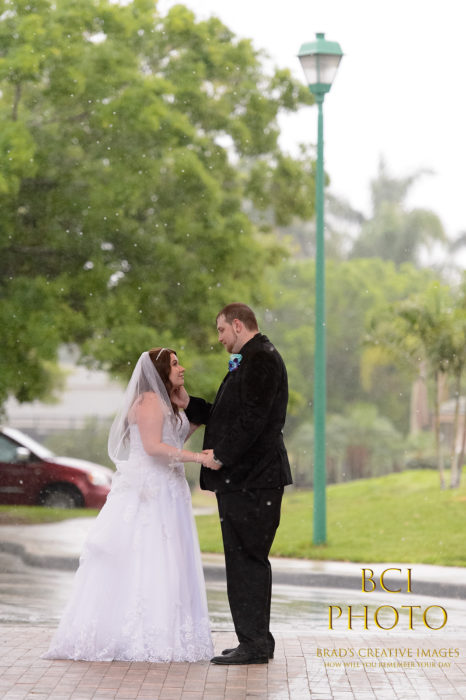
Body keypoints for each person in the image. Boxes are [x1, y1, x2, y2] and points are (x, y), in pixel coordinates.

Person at [43, 348, 214, 663]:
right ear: (160, 371)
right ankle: (135, 635)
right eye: (175, 364)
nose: (182, 368)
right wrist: (198, 458)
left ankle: (166, 633)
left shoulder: (167, 402)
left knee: (170, 558)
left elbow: (173, 440)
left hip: (169, 490)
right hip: (149, 490)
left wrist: (188, 413)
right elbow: (152, 448)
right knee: (147, 556)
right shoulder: (148, 401)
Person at [183, 303, 293, 665]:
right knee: (243, 559)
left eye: (221, 330)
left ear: (237, 325)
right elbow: (228, 414)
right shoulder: (250, 358)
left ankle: (255, 644)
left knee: (247, 559)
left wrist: (222, 454)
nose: (219, 338)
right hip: (247, 479)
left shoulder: (261, 358)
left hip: (254, 479)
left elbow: (254, 418)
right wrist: (189, 404)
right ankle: (255, 639)